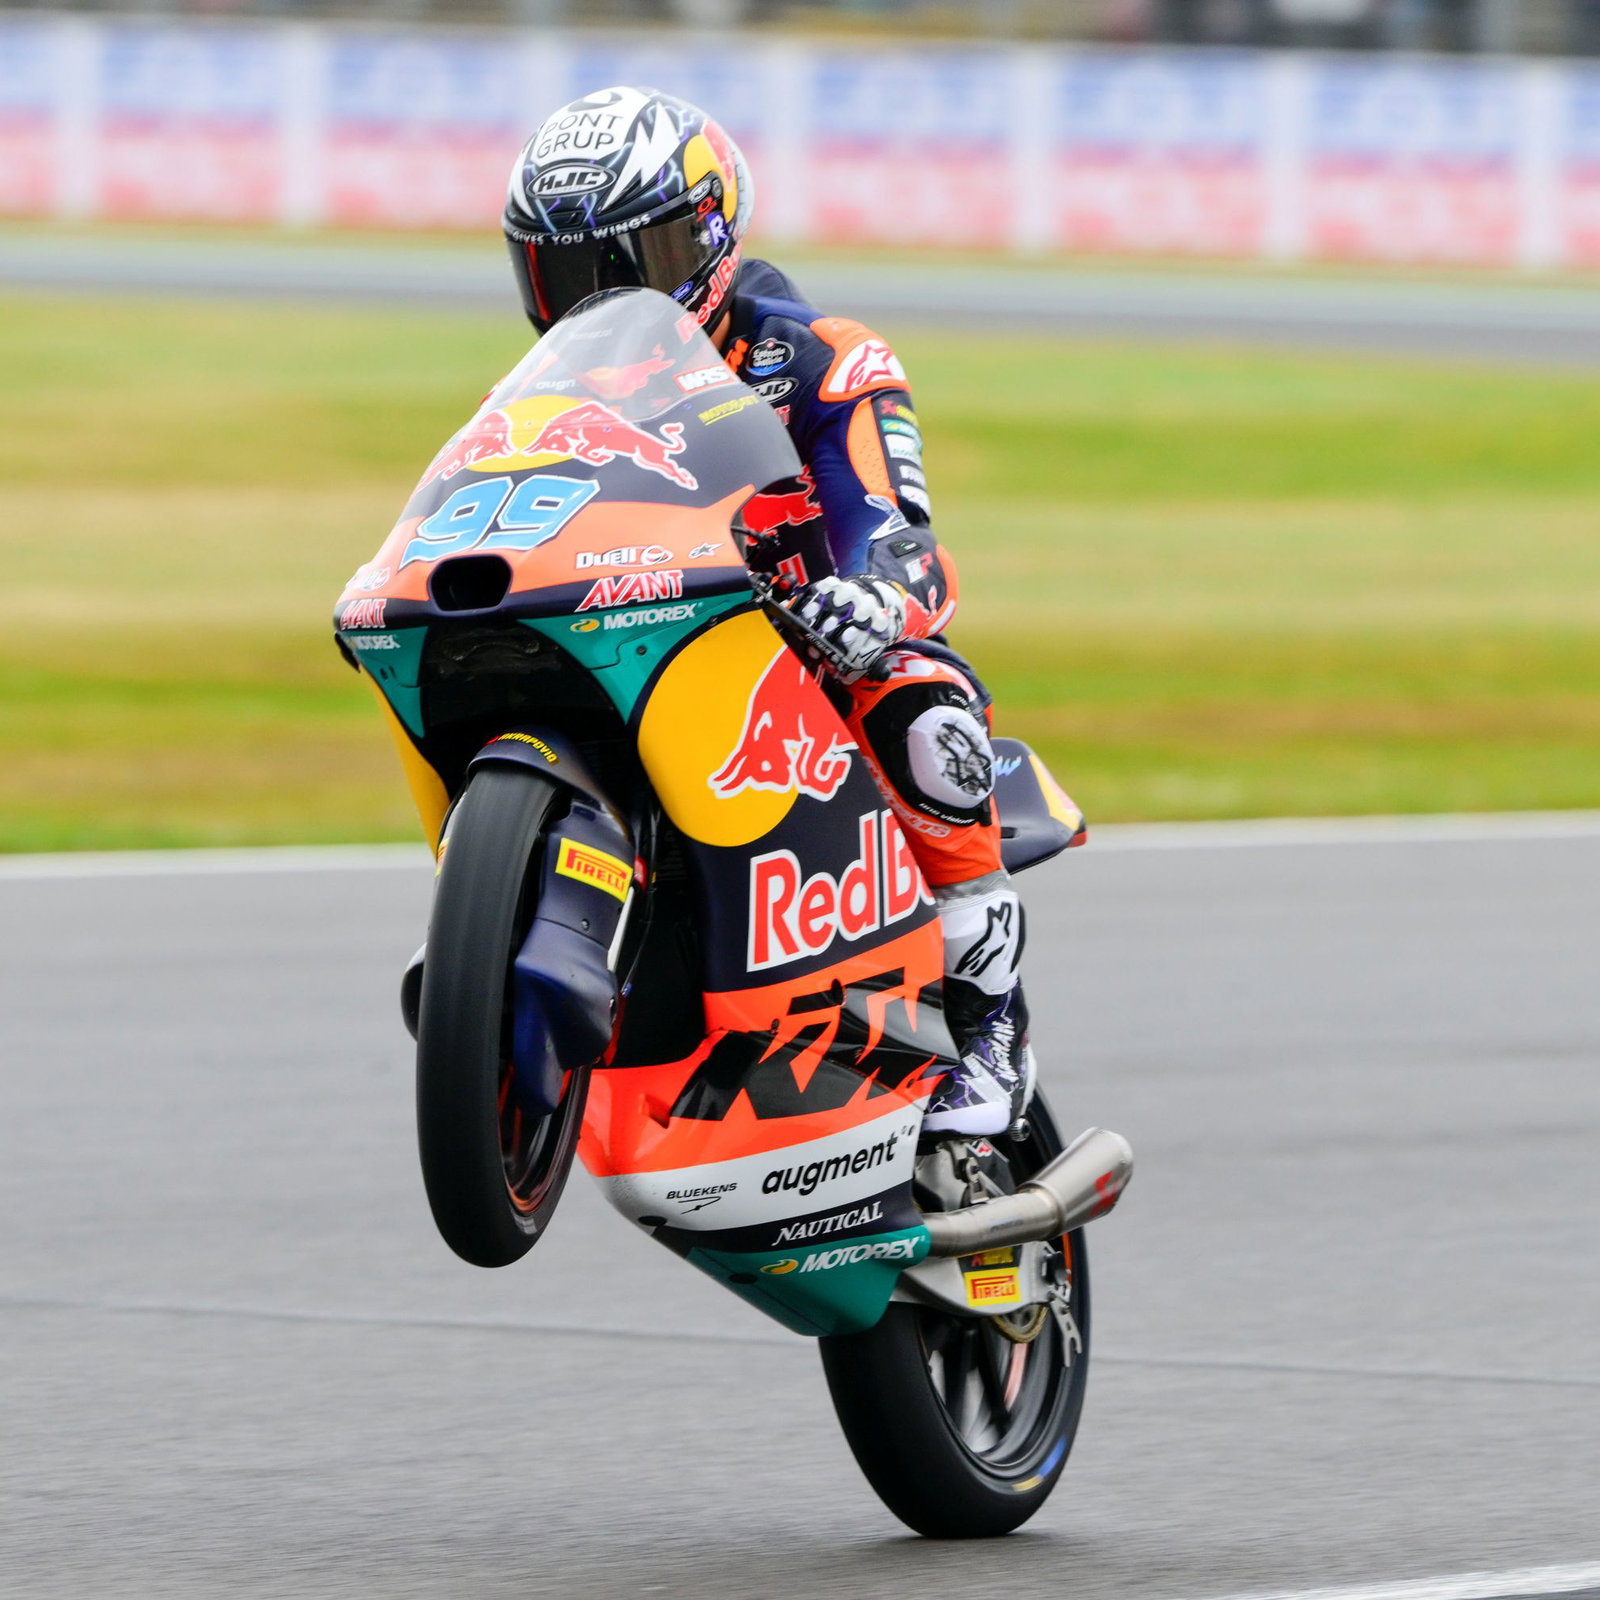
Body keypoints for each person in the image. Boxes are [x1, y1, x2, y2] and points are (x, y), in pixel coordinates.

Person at [503, 86, 1033, 1137]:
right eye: (568, 273)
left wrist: (875, 599)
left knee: (924, 707)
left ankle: (992, 1029)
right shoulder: (542, 395)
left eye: (632, 263)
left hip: (806, 644)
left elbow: (907, 536)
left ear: (708, 238)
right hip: (642, 631)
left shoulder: (828, 356)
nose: (599, 300)